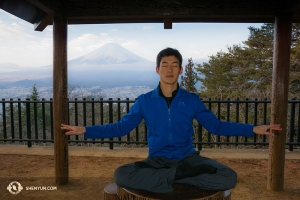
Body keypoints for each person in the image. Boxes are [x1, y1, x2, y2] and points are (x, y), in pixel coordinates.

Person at [61, 47, 281, 193]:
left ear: (181, 70)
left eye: (174, 65)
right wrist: (86, 130)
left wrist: (253, 128)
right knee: (121, 174)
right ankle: (178, 179)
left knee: (229, 177)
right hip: (157, 160)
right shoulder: (145, 101)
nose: (169, 69)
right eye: (165, 65)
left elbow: (217, 126)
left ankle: (168, 180)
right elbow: (121, 127)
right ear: (157, 69)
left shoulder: (192, 100)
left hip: (188, 160)